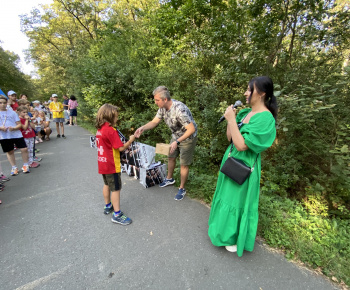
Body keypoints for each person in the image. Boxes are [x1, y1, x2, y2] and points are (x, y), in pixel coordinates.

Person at [208, 76, 277, 256]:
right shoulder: (245, 113)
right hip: (231, 160)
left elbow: (242, 145)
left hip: (244, 167)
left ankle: (233, 237)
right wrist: (231, 118)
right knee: (225, 196)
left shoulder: (266, 118)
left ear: (261, 93)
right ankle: (221, 232)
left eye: (249, 89)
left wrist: (231, 120)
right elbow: (230, 139)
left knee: (236, 201)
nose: (246, 93)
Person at [134, 86, 197, 201]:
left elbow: (191, 129)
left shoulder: (179, 110)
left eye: (157, 100)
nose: (155, 102)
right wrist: (143, 128)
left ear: (165, 99)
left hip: (188, 138)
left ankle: (182, 188)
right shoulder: (162, 108)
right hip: (176, 136)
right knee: (171, 157)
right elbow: (154, 122)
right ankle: (169, 179)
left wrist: (177, 142)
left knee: (183, 164)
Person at [95, 104, 136, 225]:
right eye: (116, 116)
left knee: (107, 184)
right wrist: (131, 140)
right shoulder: (110, 130)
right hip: (112, 164)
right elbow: (121, 148)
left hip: (102, 163)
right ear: (110, 116)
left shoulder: (100, 128)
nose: (117, 119)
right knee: (116, 188)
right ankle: (117, 214)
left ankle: (108, 206)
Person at [0, 96, 30, 175]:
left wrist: (13, 128)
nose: (2, 104)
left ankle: (25, 165)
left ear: (7, 103)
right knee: (10, 151)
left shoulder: (12, 112)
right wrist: (1, 128)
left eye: (4, 103)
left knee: (24, 149)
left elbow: (19, 124)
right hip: (4, 136)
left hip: (16, 134)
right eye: (0, 103)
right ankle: (14, 167)